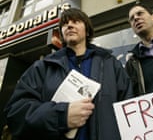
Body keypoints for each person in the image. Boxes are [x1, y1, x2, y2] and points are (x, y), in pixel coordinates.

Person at [4, 8, 133, 140]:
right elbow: (16, 113)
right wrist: (59, 116)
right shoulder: (42, 67)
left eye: (76, 22)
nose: (69, 25)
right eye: (65, 24)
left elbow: (129, 109)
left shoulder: (111, 64)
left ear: (87, 31)